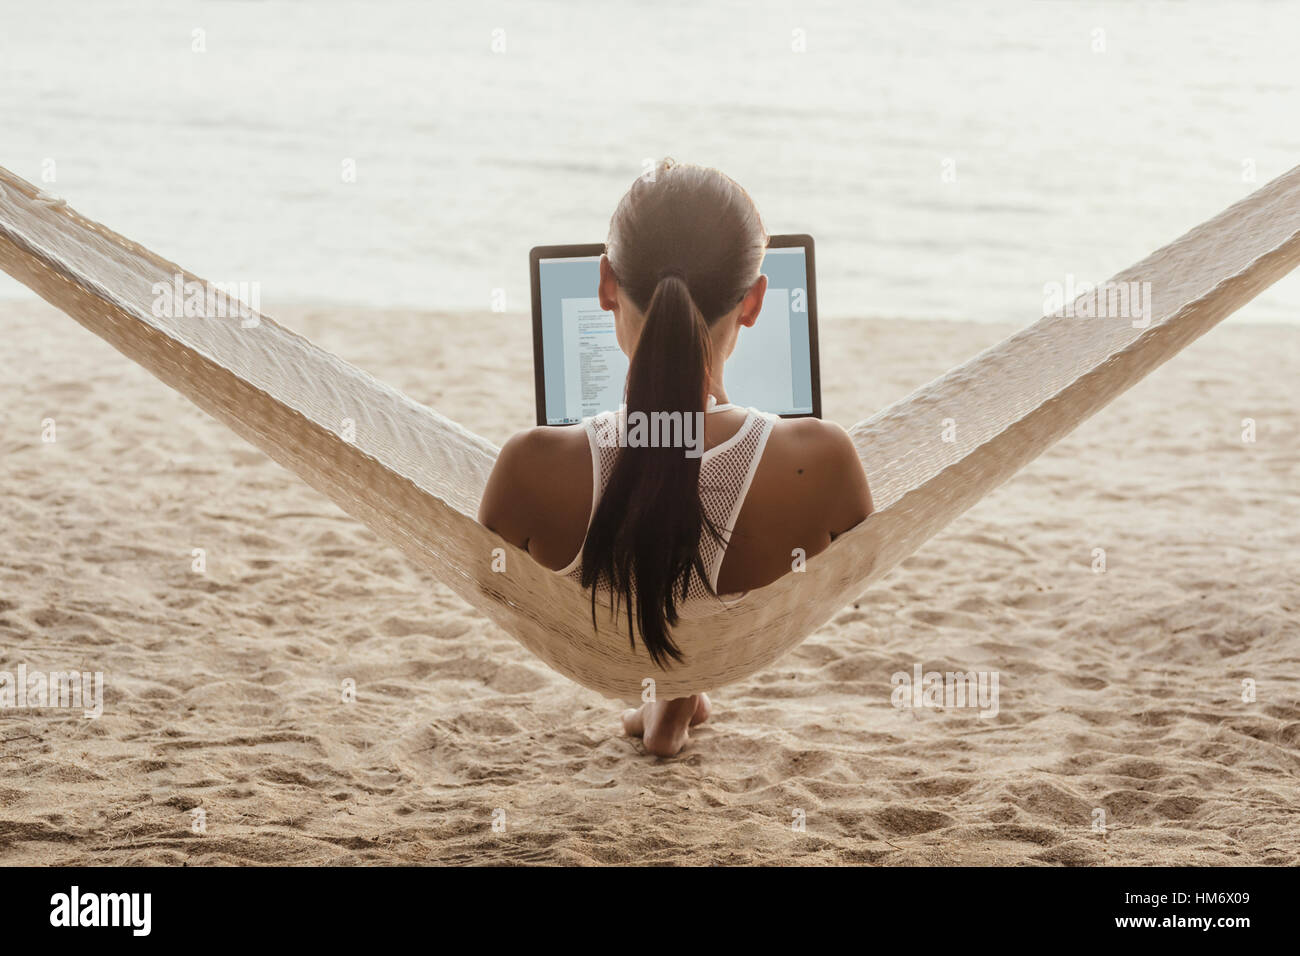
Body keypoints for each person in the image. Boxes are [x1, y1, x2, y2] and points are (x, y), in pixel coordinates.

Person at [479, 160, 871, 756]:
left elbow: (495, 587)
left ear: (606, 284)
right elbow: (851, 577)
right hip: (728, 634)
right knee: (701, 615)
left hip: (613, 642)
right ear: (756, 301)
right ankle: (679, 693)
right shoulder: (821, 461)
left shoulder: (530, 467)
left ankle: (674, 697)